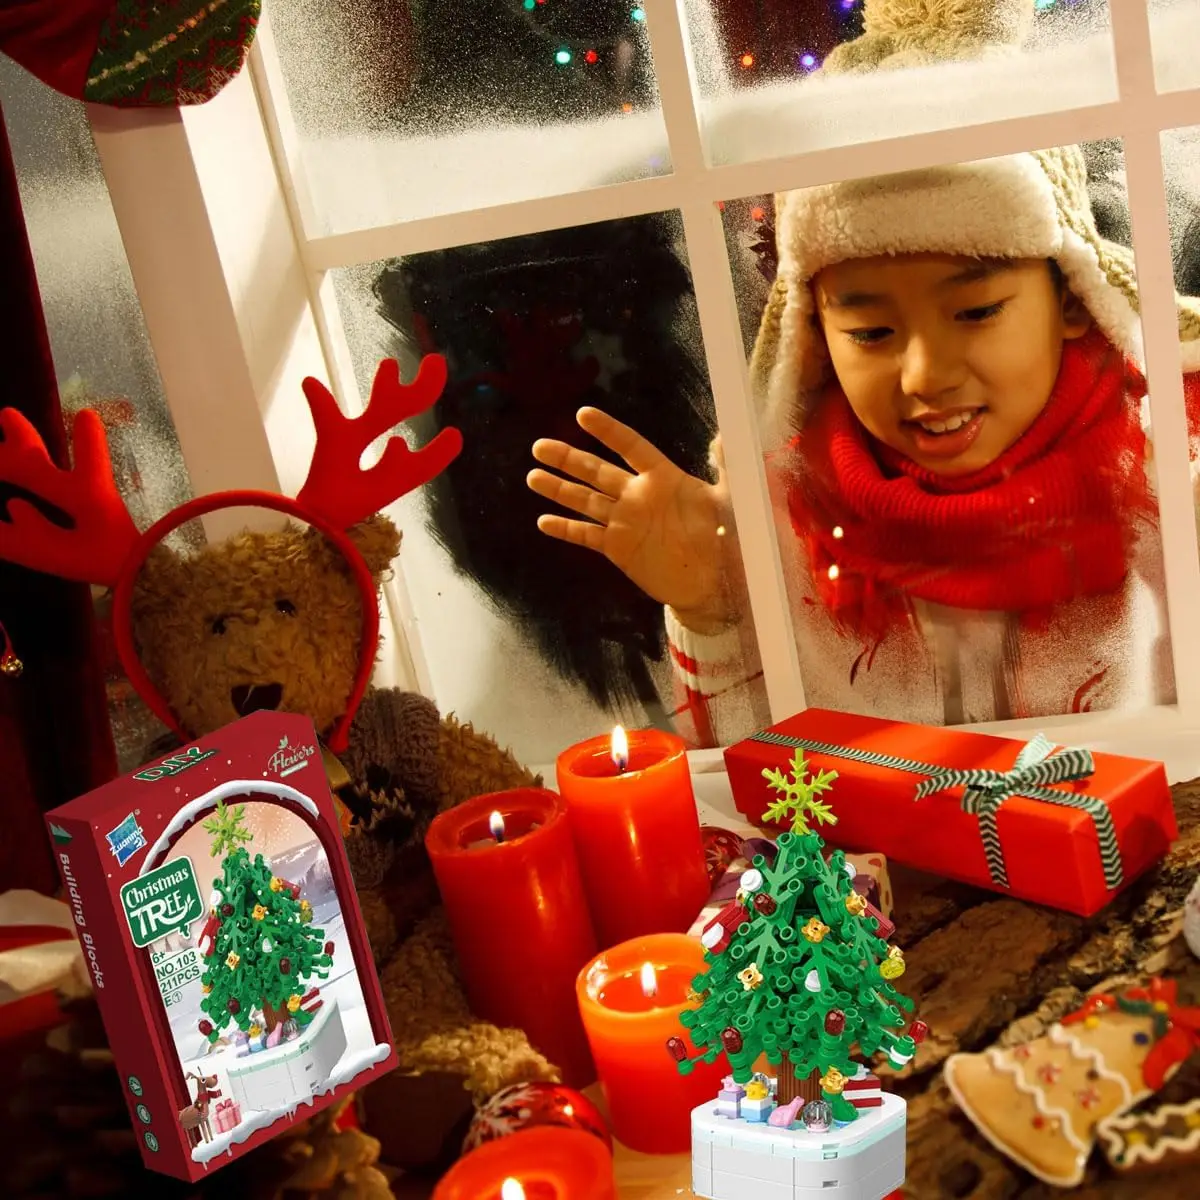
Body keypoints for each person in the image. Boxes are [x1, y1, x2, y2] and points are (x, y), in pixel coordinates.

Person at [526, 1, 1200, 746]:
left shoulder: (1166, 470)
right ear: (814, 336)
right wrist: (713, 609)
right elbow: (773, 791)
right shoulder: (794, 515)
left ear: (1072, 296)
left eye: (975, 312)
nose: (924, 374)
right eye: (872, 331)